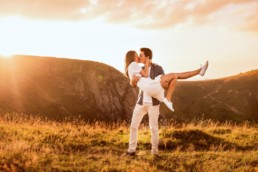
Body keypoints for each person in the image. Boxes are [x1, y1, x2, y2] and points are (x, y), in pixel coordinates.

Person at [125, 48, 208, 156]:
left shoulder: (157, 68)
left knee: (153, 128)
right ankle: (131, 150)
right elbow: (134, 82)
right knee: (133, 126)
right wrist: (132, 81)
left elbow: (163, 84)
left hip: (153, 103)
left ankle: (154, 152)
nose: (139, 57)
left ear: (147, 57)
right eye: (138, 55)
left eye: (141, 55)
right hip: (141, 102)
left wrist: (165, 86)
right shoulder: (138, 68)